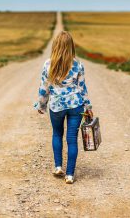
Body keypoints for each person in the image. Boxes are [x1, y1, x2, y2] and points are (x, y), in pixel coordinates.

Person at [34, 31, 93, 184]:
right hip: (76, 105)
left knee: (57, 134)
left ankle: (58, 166)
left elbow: (44, 88)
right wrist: (88, 106)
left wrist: (41, 105)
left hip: (56, 106)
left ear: (55, 46)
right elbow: (82, 88)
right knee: (72, 139)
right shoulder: (78, 64)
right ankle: (70, 175)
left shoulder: (48, 64)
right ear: (71, 47)